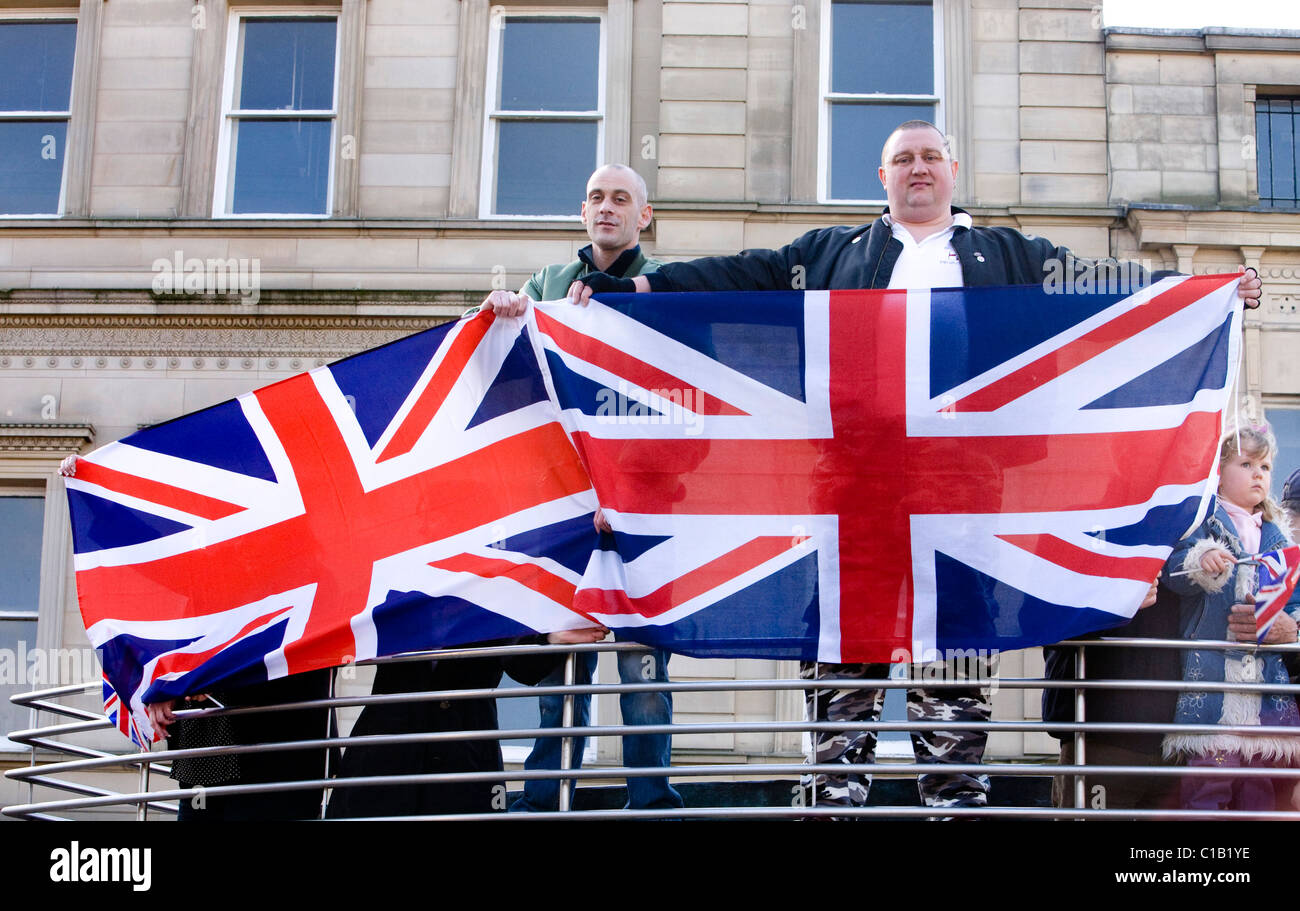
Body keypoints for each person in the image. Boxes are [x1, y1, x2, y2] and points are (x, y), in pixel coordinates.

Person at [562, 120, 1264, 814]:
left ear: (952, 172)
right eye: (903, 159)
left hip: (964, 501)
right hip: (849, 505)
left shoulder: (1006, 252)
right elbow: (740, 275)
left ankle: (953, 806)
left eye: (931, 156)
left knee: (954, 679)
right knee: (843, 679)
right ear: (883, 177)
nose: (918, 168)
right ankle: (836, 806)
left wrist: (1201, 290)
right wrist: (633, 293)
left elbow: (1100, 282)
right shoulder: (834, 250)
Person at [478, 164, 684, 813]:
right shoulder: (547, 287)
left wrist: (639, 491)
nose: (607, 207)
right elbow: (512, 387)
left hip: (644, 518)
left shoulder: (668, 293)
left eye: (621, 198)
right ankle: (544, 798)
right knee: (564, 666)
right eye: (596, 195)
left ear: (642, 215)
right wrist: (500, 314)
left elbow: (694, 413)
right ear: (583, 209)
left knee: (642, 670)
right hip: (570, 516)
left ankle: (650, 800)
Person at [1161, 425, 1300, 811]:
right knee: (1207, 788)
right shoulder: (1203, 522)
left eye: (1266, 466)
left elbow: (1294, 604)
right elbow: (1175, 574)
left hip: (1266, 693)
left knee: (1260, 797)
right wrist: (1203, 558)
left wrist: (1293, 624)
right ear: (1219, 471)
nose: (1259, 474)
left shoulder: (1279, 537)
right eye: (1247, 463)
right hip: (1213, 686)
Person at [325, 629, 606, 818]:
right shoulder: (398, 572)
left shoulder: (488, 577)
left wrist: (549, 638)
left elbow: (521, 665)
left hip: (463, 759)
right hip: (383, 757)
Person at [1042, 581, 1183, 811]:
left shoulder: (1194, 546)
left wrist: (1260, 625)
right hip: (1100, 736)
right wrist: (1114, 602)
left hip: (1182, 744)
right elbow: (1038, 615)